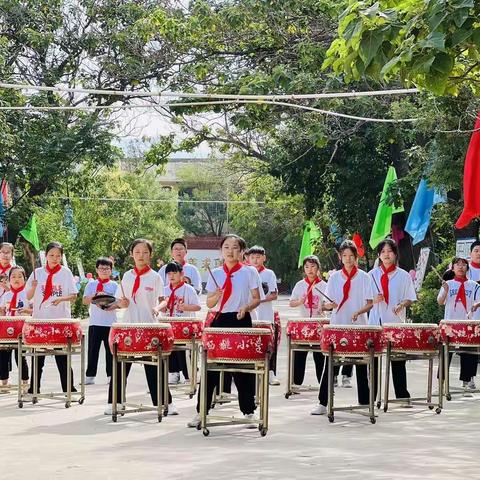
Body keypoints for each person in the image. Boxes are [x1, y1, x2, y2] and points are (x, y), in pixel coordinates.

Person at [188, 234, 261, 428]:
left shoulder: (250, 272)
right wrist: (216, 295)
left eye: (235, 247)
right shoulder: (216, 273)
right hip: (219, 320)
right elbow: (209, 303)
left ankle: (248, 411)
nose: (230, 251)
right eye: (226, 247)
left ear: (242, 251)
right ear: (221, 251)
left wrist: (246, 308)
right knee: (210, 367)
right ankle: (201, 411)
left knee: (242, 367)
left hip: (240, 319)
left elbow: (256, 298)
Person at [104, 239, 178, 415]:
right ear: (132, 254)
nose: (141, 256)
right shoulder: (127, 277)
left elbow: (164, 300)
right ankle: (115, 401)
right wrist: (121, 303)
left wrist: (157, 308)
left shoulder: (155, 277)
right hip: (128, 326)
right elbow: (121, 303)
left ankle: (165, 402)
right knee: (121, 365)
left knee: (153, 366)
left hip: (149, 327)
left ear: (150, 255)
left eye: (145, 252)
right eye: (137, 252)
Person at [312, 240, 374, 415]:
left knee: (361, 366)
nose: (348, 259)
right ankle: (323, 403)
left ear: (356, 257)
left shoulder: (364, 277)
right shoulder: (333, 278)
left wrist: (357, 311)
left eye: (351, 256)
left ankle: (364, 402)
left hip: (358, 327)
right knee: (330, 365)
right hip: (337, 326)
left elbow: (370, 303)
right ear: (340, 257)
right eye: (344, 256)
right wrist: (329, 305)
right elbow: (326, 305)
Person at [25, 241, 78, 394]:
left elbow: (74, 295)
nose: (54, 258)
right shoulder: (37, 273)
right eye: (51, 255)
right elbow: (27, 296)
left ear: (61, 257)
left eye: (58, 256)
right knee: (38, 356)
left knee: (62, 356)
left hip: (59, 321)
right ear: (46, 256)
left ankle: (69, 388)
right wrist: (34, 287)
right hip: (40, 320)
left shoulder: (65, 272)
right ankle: (34, 388)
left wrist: (61, 299)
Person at [369, 239, 417, 403]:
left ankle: (402, 395)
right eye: (383, 252)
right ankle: (371, 396)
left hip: (396, 323)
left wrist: (402, 304)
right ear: (379, 255)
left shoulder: (403, 276)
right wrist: (374, 299)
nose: (386, 254)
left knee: (397, 360)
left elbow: (410, 298)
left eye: (389, 251)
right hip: (375, 322)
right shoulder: (371, 275)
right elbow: (365, 300)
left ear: (395, 254)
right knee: (373, 360)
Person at [159, 238, 202, 384]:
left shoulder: (190, 281)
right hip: (169, 321)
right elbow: (160, 297)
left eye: (180, 248)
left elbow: (197, 302)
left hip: (184, 322)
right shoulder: (165, 280)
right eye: (175, 249)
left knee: (185, 349)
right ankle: (173, 373)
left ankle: (189, 374)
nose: (171, 276)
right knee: (171, 347)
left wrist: (185, 306)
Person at [438, 257, 478, 393]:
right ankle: (441, 382)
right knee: (445, 352)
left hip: (467, 323)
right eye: (457, 264)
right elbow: (440, 301)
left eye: (464, 265)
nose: (461, 267)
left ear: (467, 268)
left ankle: (468, 381)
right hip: (450, 323)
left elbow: (478, 300)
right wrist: (445, 290)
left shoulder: (474, 285)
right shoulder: (447, 284)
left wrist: (476, 305)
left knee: (469, 351)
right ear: (453, 268)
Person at [289, 255, 328, 390]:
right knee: (299, 353)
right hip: (303, 324)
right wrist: (300, 301)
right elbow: (291, 303)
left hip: (319, 324)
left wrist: (325, 307)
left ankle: (323, 384)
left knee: (320, 354)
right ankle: (296, 383)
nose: (310, 270)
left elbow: (328, 304)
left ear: (318, 268)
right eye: (306, 267)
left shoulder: (323, 285)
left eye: (313, 266)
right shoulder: (300, 285)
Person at [247, 245, 280, 386]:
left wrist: (258, 299)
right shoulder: (245, 272)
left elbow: (274, 294)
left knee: (269, 344)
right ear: (248, 258)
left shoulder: (269, 274)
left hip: (265, 314)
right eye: (252, 257)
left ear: (264, 258)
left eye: (258, 257)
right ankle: (250, 371)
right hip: (250, 314)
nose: (255, 260)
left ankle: (271, 372)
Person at [82, 257, 118, 385]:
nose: (104, 271)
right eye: (101, 268)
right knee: (93, 350)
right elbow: (85, 300)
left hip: (110, 323)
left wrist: (108, 301)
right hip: (95, 323)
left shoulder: (114, 285)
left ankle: (111, 375)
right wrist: (96, 295)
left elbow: (118, 301)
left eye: (107, 268)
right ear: (97, 269)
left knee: (110, 351)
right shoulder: (91, 284)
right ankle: (90, 375)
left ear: (111, 270)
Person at [0, 266, 31, 388]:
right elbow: (2, 311)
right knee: (3, 356)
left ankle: (25, 382)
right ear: (9, 279)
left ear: (24, 279)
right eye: (13, 276)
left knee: (20, 357)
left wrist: (27, 310)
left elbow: (34, 310)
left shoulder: (27, 294)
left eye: (19, 276)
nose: (16, 279)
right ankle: (4, 382)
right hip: (7, 329)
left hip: (21, 330)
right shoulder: (6, 295)